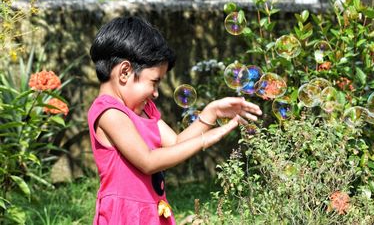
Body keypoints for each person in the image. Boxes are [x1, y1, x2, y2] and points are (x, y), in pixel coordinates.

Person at [87, 16, 262, 225]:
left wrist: (211, 113)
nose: (155, 93)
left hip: (151, 211)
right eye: (154, 82)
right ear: (125, 72)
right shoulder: (109, 112)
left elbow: (176, 144)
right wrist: (204, 140)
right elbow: (148, 161)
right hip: (125, 215)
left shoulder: (146, 110)